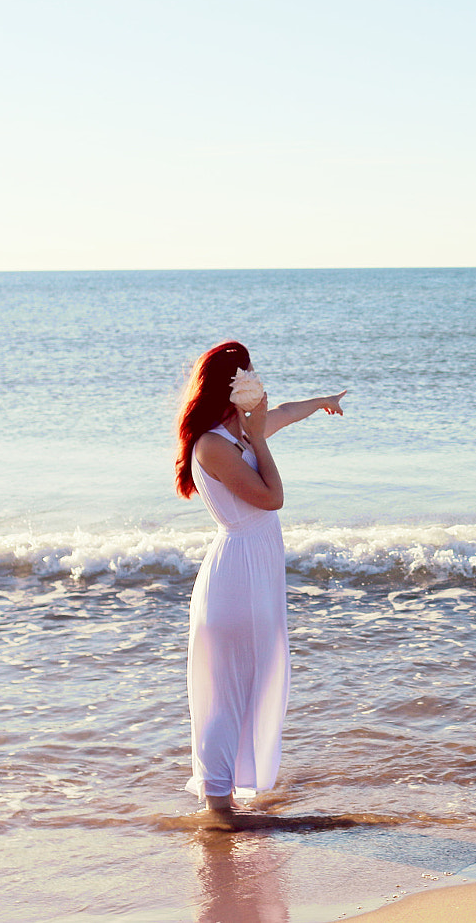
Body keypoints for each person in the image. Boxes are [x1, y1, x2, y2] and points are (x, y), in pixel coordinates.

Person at [173, 340, 345, 824]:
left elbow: (288, 412)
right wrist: (259, 437)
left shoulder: (240, 431)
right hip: (236, 576)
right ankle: (218, 806)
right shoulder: (212, 444)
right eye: (249, 373)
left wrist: (322, 402)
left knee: (253, 682)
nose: (257, 379)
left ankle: (228, 793)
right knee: (225, 689)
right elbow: (272, 499)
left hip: (257, 573)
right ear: (231, 383)